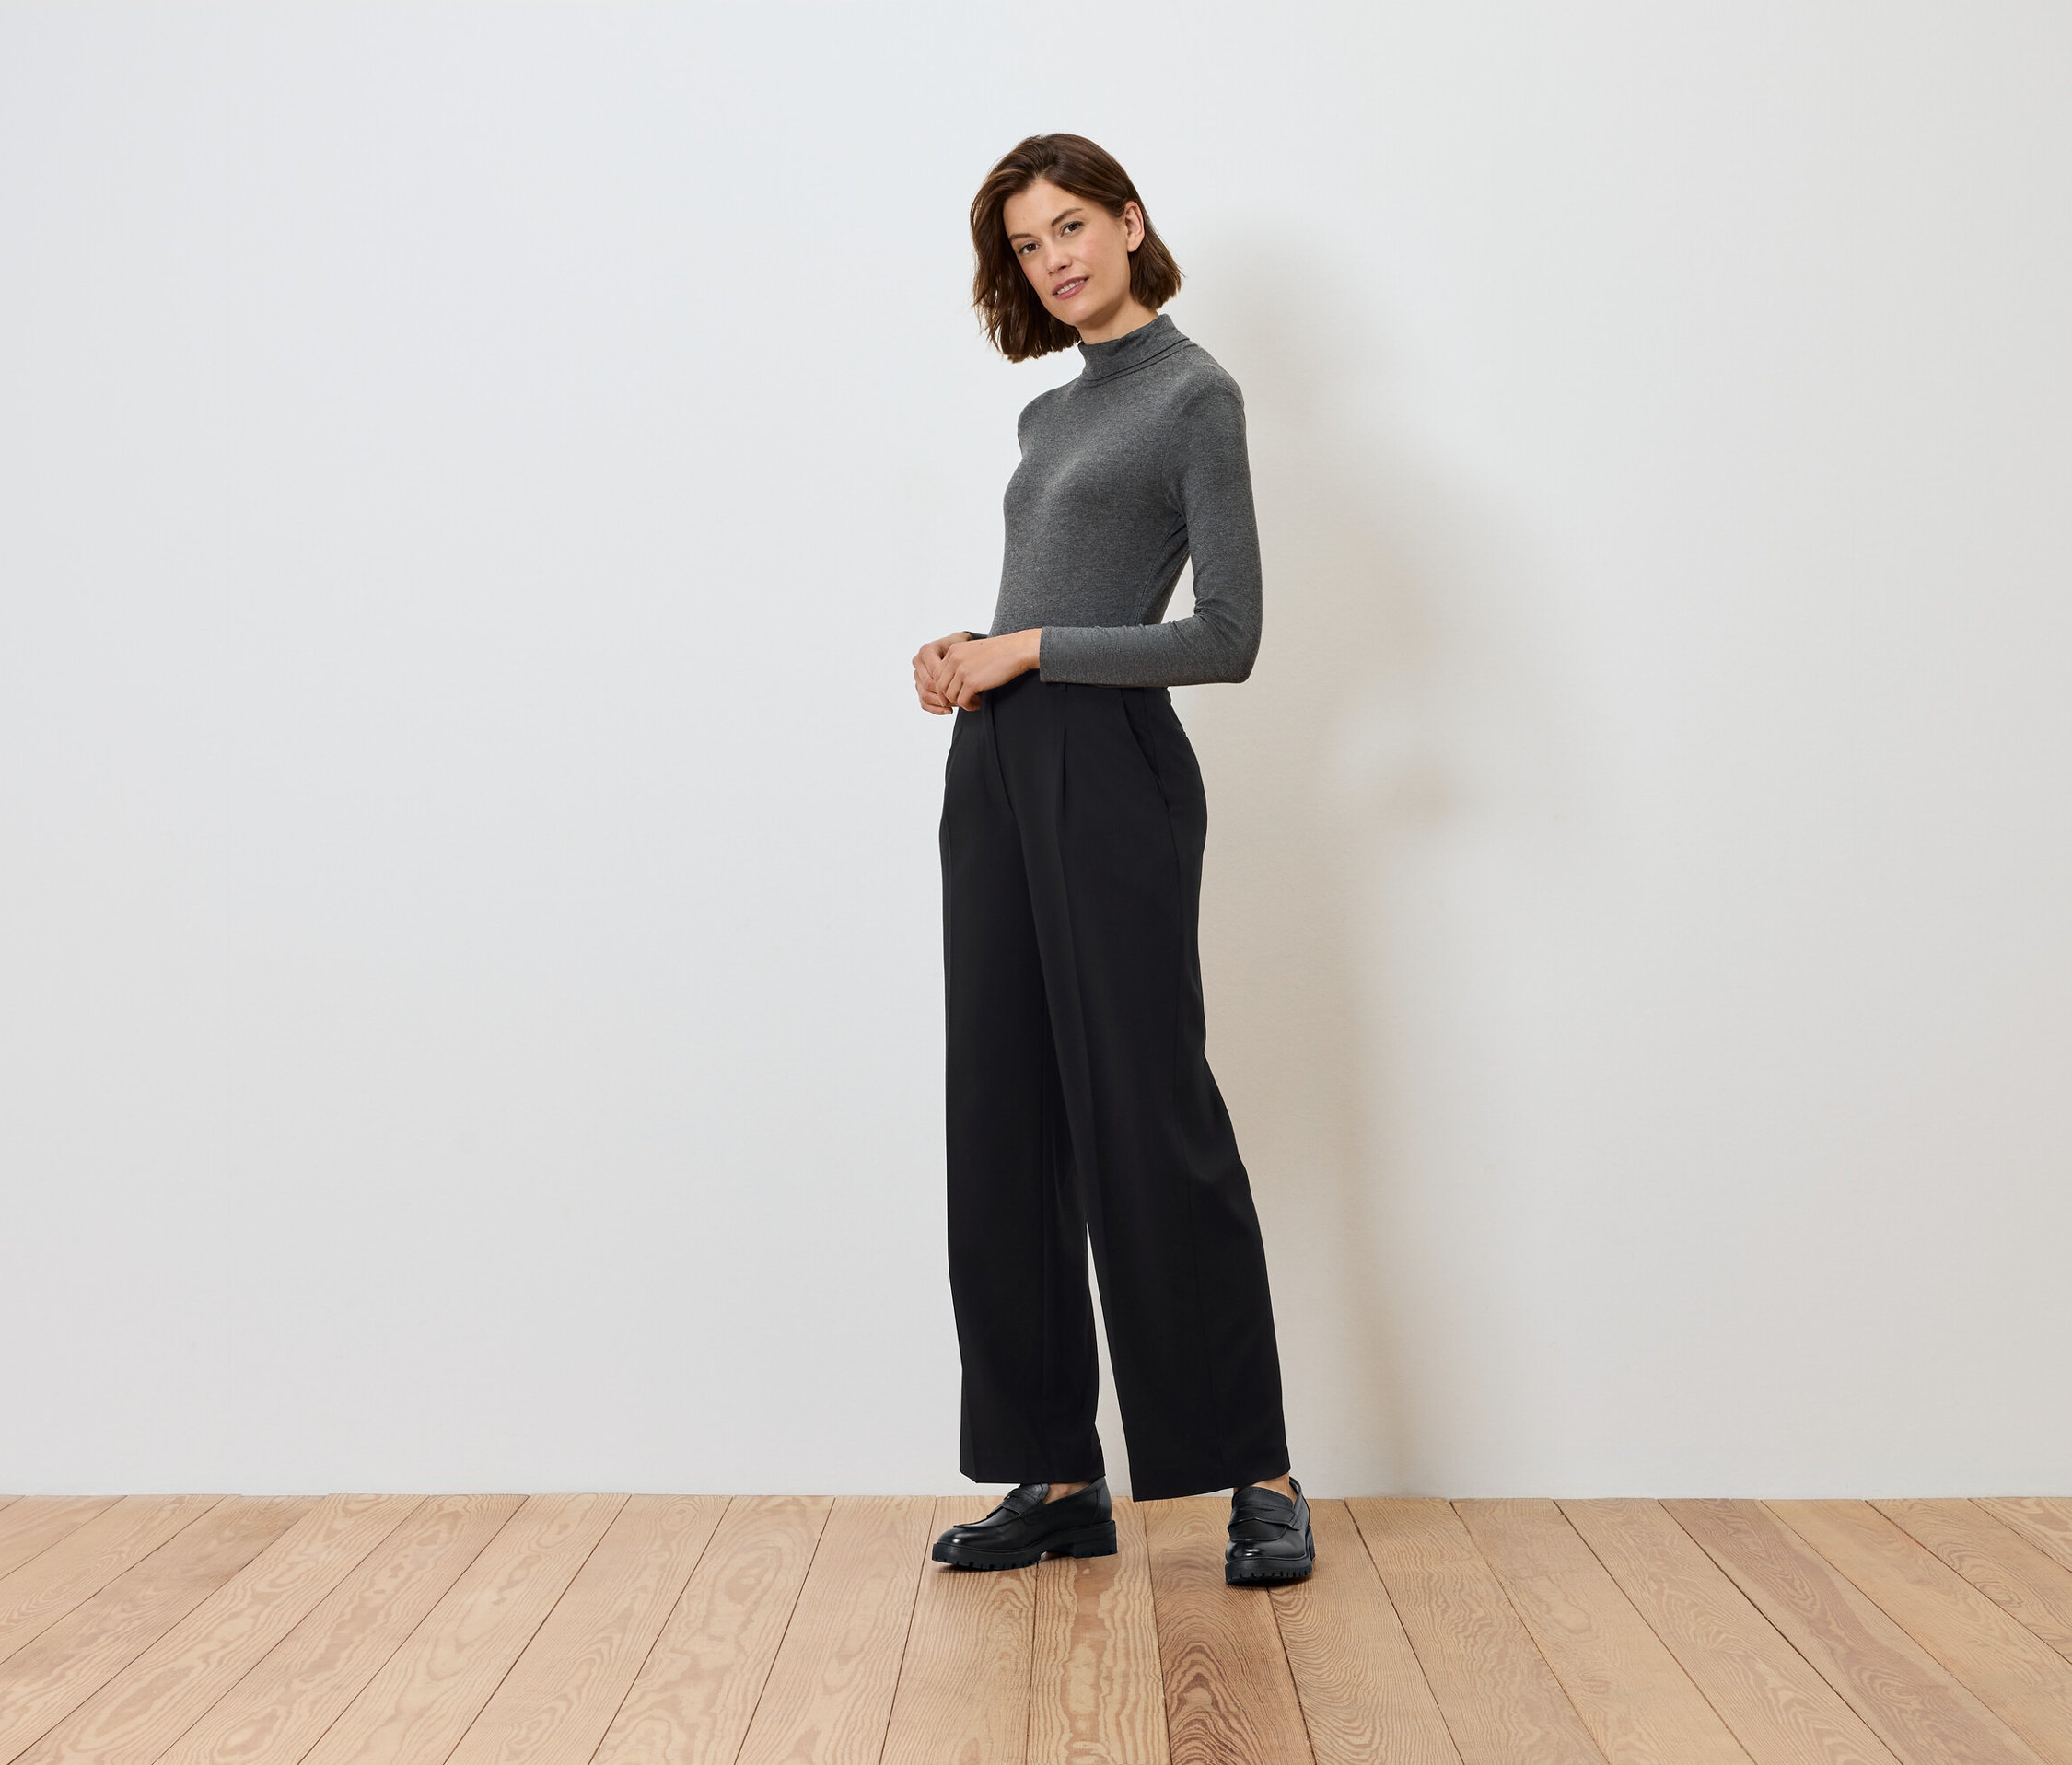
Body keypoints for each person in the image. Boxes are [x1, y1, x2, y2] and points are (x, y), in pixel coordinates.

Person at [909, 134, 1312, 1586]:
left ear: (1133, 223)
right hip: (1001, 768)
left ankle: (1256, 1474)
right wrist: (977, 649)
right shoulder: (1046, 422)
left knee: (1147, 1113)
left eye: (1073, 225)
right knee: (1002, 1112)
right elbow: (1045, 602)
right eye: (1026, 245)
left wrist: (1032, 650)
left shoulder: (1197, 395)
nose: (1054, 259)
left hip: (1113, 772)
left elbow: (1227, 634)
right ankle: (1056, 1472)